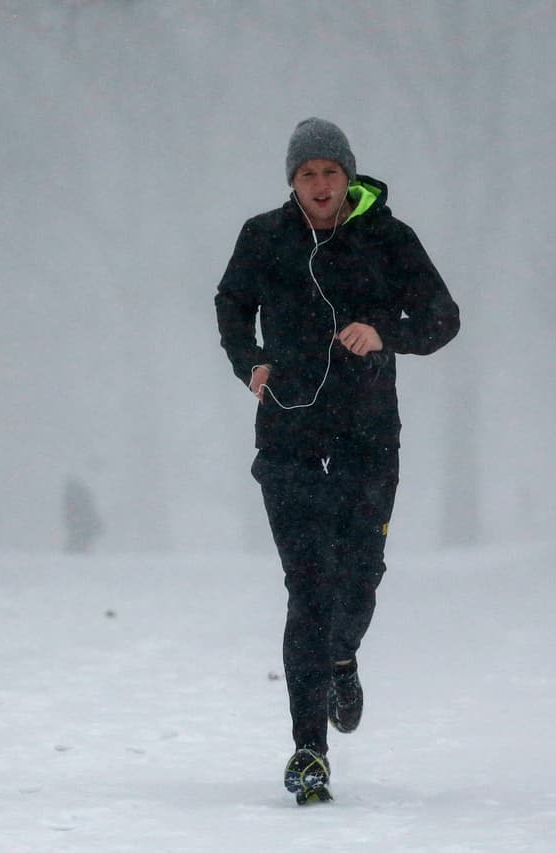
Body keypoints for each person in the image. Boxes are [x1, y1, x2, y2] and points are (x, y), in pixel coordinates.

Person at [214, 118, 460, 803]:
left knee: (358, 578)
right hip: (289, 435)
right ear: (292, 183)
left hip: (367, 435)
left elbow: (444, 317)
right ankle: (308, 749)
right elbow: (231, 303)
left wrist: (385, 331)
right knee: (309, 587)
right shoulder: (264, 237)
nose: (319, 186)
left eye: (329, 172)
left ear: (348, 176)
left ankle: (343, 655)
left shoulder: (390, 238)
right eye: (306, 175)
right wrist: (249, 361)